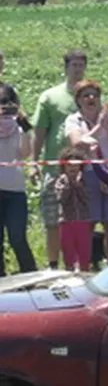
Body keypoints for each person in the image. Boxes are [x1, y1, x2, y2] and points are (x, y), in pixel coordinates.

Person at [30, 48, 87, 269]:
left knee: (80, 221)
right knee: (53, 221)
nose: (78, 69)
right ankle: (53, 265)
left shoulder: (91, 95)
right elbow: (40, 133)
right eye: (73, 65)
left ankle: (79, 264)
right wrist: (34, 163)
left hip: (83, 170)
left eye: (81, 65)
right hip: (54, 169)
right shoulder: (50, 97)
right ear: (65, 68)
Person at [64, 79, 108, 265]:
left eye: (94, 95)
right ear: (79, 100)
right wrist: (98, 126)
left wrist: (106, 125)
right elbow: (78, 144)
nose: (91, 98)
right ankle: (84, 263)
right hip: (88, 174)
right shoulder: (73, 119)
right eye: (86, 95)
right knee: (88, 223)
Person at [0, 84, 36, 276]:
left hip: (15, 191)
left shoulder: (18, 127)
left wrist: (24, 126)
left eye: (7, 103)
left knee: (17, 237)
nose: (3, 108)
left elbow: (24, 153)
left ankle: (30, 275)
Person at [54, 148, 93, 272]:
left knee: (84, 250)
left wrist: (78, 185)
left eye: (76, 166)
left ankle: (85, 270)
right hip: (66, 221)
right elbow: (62, 198)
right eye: (70, 165)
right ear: (64, 166)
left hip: (83, 220)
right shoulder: (61, 181)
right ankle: (69, 271)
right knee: (68, 250)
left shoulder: (85, 181)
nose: (73, 169)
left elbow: (87, 198)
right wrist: (69, 184)